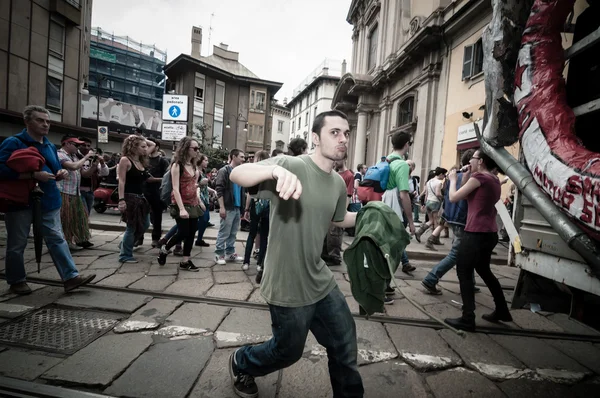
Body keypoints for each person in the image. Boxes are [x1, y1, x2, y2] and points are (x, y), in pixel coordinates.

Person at [227, 110, 363, 398]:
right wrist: (274, 170)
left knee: (345, 344)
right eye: (334, 132)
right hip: (287, 282)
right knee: (287, 352)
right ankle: (242, 361)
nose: (343, 139)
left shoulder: (339, 183)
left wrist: (373, 215)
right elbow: (238, 174)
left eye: (346, 133)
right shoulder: (290, 164)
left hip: (320, 279)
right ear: (315, 138)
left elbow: (338, 219)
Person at [0, 105, 95, 294]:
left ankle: (70, 277)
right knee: (17, 242)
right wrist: (33, 175)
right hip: (20, 201)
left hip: (48, 200)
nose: (45, 124)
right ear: (27, 121)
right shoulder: (14, 142)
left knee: (57, 239)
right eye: (40, 120)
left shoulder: (49, 145)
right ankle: (16, 280)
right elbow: (1, 169)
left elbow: (51, 169)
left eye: (48, 121)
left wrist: (58, 173)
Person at [444, 150, 512, 331]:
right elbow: (468, 197)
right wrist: (466, 176)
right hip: (489, 233)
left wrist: (452, 179)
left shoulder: (480, 177)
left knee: (464, 271)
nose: (470, 161)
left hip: (475, 233)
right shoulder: (493, 179)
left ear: (480, 161)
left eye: (473, 158)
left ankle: (468, 318)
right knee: (484, 270)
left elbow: (454, 197)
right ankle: (502, 309)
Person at [422, 149, 480, 294]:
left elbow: (447, 196)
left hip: (453, 216)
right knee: (457, 253)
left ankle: (470, 283)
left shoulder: (454, 177)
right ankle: (431, 278)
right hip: (463, 218)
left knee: (468, 252)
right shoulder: (472, 178)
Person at [380, 132, 416, 304]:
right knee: (393, 253)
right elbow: (404, 195)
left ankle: (385, 285)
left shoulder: (385, 160)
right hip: (393, 210)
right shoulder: (401, 164)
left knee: (386, 249)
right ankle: (380, 290)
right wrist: (410, 221)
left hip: (382, 207)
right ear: (407, 145)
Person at [157, 137, 203, 271]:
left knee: (191, 233)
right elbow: (175, 188)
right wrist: (182, 209)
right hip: (181, 204)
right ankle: (165, 249)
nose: (197, 151)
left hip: (193, 203)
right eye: (194, 148)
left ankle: (185, 261)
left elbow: (193, 185)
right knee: (183, 232)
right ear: (185, 148)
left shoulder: (194, 166)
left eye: (198, 148)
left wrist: (199, 201)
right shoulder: (177, 165)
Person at [117, 135, 155, 263]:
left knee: (145, 224)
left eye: (145, 146)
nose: (145, 149)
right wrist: (121, 200)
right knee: (132, 226)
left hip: (141, 198)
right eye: (142, 146)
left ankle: (125, 245)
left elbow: (153, 145)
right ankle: (125, 255)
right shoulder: (125, 160)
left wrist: (140, 137)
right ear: (134, 147)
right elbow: (121, 181)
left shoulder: (141, 160)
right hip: (130, 197)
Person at [56, 136, 95, 250]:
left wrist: (94, 165)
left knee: (76, 219)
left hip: (75, 193)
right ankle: (64, 243)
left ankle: (73, 241)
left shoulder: (74, 156)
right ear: (67, 144)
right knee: (65, 220)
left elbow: (84, 174)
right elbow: (73, 167)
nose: (78, 147)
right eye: (76, 145)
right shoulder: (60, 154)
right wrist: (86, 157)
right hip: (64, 192)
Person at [242, 150, 270, 282]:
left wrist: (246, 209)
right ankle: (260, 263)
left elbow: (249, 193)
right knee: (264, 236)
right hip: (267, 206)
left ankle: (246, 262)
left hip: (256, 204)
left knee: (252, 234)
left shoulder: (254, 172)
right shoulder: (270, 172)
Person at [214, 149, 246, 265]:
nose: (243, 159)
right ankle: (219, 254)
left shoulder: (240, 172)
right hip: (228, 207)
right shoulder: (224, 171)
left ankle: (230, 253)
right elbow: (219, 189)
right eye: (241, 157)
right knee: (224, 232)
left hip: (237, 207)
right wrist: (221, 207)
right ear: (234, 156)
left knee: (233, 233)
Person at [322, 160, 353, 265]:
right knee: (327, 234)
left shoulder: (349, 175)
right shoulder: (333, 173)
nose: (335, 162)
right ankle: (326, 255)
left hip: (339, 209)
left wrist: (343, 211)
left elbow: (349, 195)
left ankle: (335, 257)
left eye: (337, 160)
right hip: (330, 208)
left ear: (344, 160)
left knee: (335, 234)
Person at [144, 138, 170, 248]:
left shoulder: (162, 161)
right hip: (144, 190)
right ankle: (139, 237)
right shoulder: (143, 160)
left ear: (157, 147)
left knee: (156, 216)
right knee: (142, 214)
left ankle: (156, 238)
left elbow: (167, 177)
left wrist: (154, 179)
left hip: (157, 191)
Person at [76, 137, 109, 216]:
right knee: (83, 215)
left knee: (86, 215)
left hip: (90, 191)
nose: (86, 148)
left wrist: (102, 163)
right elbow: (84, 174)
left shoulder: (92, 158)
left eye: (88, 146)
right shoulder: (75, 156)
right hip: (78, 191)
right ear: (78, 146)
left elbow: (105, 173)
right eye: (84, 145)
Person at [415, 167, 447, 244]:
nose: (444, 177)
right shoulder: (439, 182)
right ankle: (435, 240)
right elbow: (438, 193)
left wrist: (425, 203)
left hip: (428, 202)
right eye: (444, 175)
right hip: (435, 203)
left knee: (430, 221)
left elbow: (426, 194)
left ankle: (419, 232)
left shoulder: (429, 181)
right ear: (441, 174)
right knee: (436, 222)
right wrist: (443, 198)